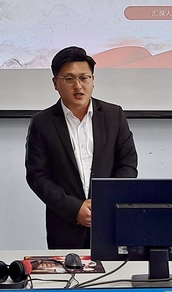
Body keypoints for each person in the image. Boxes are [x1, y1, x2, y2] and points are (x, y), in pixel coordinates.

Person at [25, 46, 138, 249]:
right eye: (69, 79)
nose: (78, 86)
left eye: (84, 78)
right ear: (55, 83)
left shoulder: (114, 115)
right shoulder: (42, 123)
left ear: (93, 80)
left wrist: (105, 203)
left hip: (110, 220)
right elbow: (37, 176)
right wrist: (75, 209)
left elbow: (128, 165)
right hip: (65, 225)